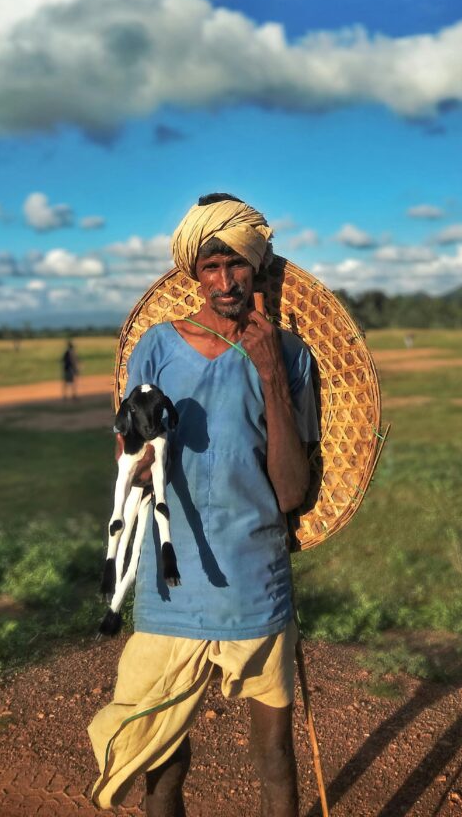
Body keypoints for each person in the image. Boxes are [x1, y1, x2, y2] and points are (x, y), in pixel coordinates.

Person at [88, 193, 319, 817]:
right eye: (211, 267)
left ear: (258, 266)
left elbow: (293, 492)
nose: (225, 282)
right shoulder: (158, 347)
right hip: (172, 581)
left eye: (237, 265)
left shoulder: (293, 357)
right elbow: (131, 464)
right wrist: (135, 457)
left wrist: (270, 373)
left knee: (274, 756)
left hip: (255, 577)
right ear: (193, 271)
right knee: (161, 756)